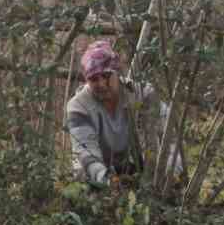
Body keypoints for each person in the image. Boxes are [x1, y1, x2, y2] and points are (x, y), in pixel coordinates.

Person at [66, 39, 181, 187]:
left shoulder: (143, 94)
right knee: (83, 173)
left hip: (137, 165)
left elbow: (170, 140)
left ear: (117, 72)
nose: (101, 84)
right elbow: (85, 153)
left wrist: (170, 172)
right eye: (93, 79)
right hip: (99, 172)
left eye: (106, 75)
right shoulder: (78, 106)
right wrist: (109, 181)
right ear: (86, 80)